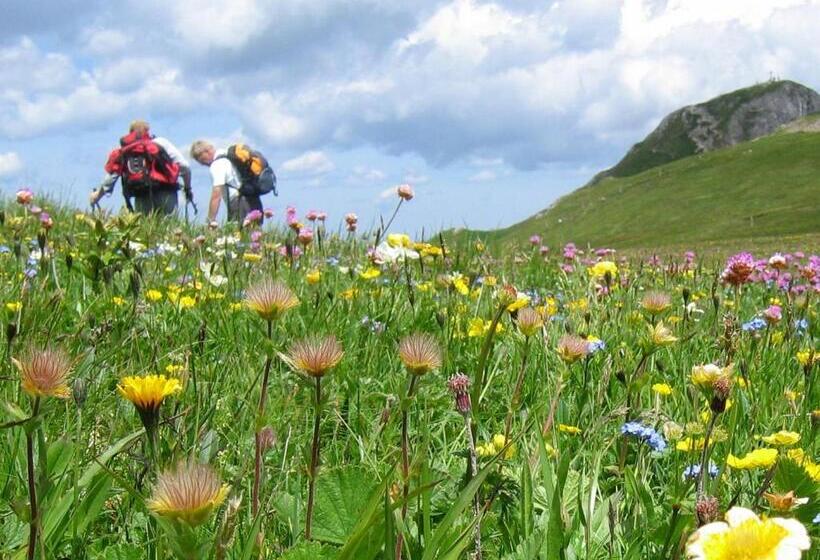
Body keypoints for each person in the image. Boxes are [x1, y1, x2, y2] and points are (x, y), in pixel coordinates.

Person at [91, 120, 193, 215]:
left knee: (145, 230)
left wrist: (97, 196)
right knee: (169, 230)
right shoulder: (160, 142)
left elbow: (111, 177)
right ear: (147, 130)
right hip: (165, 193)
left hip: (141, 194)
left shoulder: (125, 150)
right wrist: (187, 188)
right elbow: (184, 166)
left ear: (130, 132)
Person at [190, 140, 275, 225]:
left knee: (239, 236)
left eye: (201, 160)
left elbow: (216, 195)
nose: (202, 164)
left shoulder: (217, 165)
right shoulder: (228, 155)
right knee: (255, 234)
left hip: (239, 204)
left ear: (206, 152)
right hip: (254, 200)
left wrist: (210, 220)